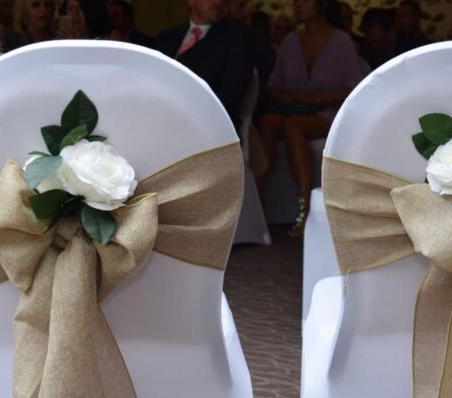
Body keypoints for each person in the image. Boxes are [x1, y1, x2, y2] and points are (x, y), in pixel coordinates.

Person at [258, 0, 366, 237]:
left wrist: (314, 98)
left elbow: (354, 88)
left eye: (303, 1)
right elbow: (274, 84)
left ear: (321, 5)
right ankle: (260, 200)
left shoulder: (341, 41)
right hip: (293, 109)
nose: (297, 6)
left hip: (328, 113)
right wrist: (287, 97)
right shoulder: (291, 40)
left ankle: (306, 208)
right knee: (267, 122)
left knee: (292, 125)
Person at [154, 0, 254, 132]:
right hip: (158, 118)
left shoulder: (236, 38)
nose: (218, 2)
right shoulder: (167, 38)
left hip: (204, 128)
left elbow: (229, 97)